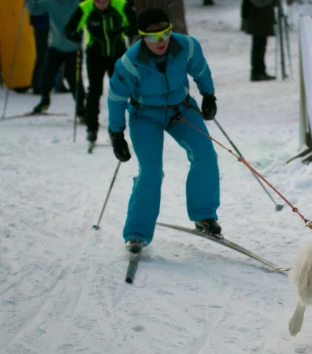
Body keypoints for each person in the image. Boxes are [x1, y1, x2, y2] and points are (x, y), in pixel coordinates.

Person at [107, 7, 221, 252]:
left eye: (165, 34)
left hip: (181, 110)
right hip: (144, 115)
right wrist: (116, 134)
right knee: (151, 172)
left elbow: (200, 70)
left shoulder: (187, 47)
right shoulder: (129, 62)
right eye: (152, 37)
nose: (160, 42)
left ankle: (204, 215)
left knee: (206, 155)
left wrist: (209, 95)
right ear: (141, 37)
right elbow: (116, 98)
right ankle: (137, 233)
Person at [64, 0, 137, 144]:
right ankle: (92, 128)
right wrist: (74, 35)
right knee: (94, 91)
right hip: (95, 55)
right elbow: (68, 29)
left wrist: (131, 30)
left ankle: (116, 128)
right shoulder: (85, 7)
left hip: (117, 54)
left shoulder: (121, 5)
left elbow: (137, 25)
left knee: (119, 91)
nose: (102, 2)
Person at [25, 0, 86, 118]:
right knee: (47, 74)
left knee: (74, 79)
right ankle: (44, 100)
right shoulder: (50, 2)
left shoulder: (76, 3)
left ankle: (81, 107)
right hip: (55, 46)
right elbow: (34, 9)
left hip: (73, 47)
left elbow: (91, 9)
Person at [241, 0, 276, 82]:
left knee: (260, 43)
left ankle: (259, 71)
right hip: (259, 13)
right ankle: (257, 72)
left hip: (259, 12)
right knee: (259, 44)